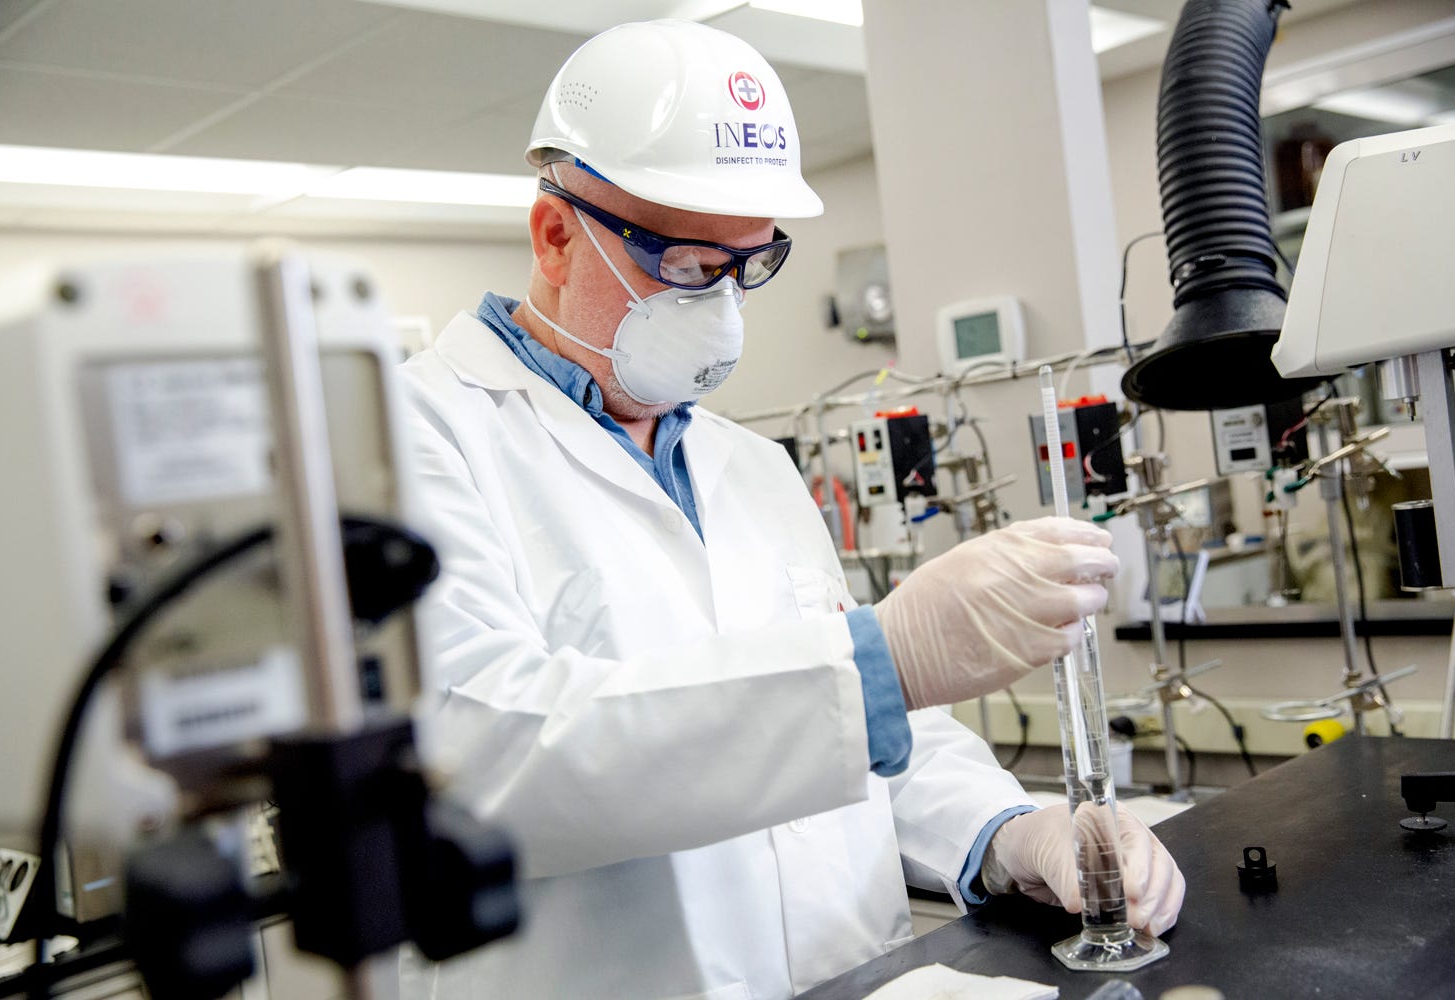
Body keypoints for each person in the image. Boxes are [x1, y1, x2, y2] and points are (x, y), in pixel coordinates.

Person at [398, 19, 1184, 1000]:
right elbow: (485, 764)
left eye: (749, 265)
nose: (722, 308)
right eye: (688, 264)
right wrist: (878, 663)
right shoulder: (411, 442)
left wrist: (1010, 829)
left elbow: (864, 740)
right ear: (556, 235)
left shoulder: (753, 466)